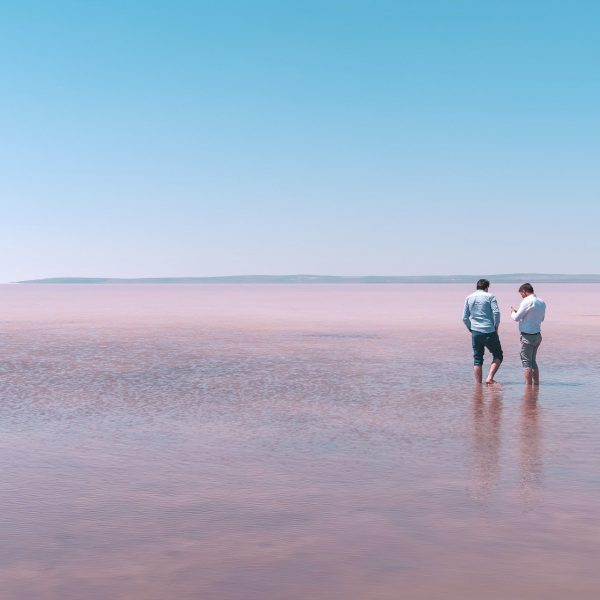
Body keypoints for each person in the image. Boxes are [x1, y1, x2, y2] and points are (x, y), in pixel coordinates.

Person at [462, 279, 503, 385]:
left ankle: (478, 385)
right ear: (486, 287)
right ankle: (489, 377)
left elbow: (464, 317)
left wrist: (471, 328)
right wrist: (496, 326)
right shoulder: (490, 296)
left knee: (477, 359)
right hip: (489, 330)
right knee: (498, 355)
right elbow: (496, 312)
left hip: (476, 332)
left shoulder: (469, 297)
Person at [511, 283, 546, 385]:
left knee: (526, 363)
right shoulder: (541, 302)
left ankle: (528, 388)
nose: (521, 296)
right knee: (533, 361)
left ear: (524, 291)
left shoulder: (526, 301)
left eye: (521, 294)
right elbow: (541, 318)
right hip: (537, 335)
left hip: (527, 336)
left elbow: (516, 318)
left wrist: (513, 312)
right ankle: (536, 385)